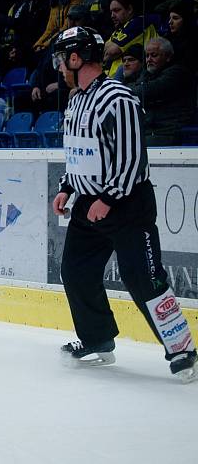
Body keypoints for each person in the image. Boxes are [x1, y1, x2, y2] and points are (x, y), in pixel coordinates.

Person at [50, 26, 196, 383]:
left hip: (126, 204)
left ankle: (183, 351)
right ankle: (97, 340)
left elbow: (132, 159)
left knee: (143, 279)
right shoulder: (76, 100)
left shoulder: (118, 97)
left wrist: (108, 198)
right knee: (76, 270)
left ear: (76, 58)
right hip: (90, 203)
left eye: (60, 59)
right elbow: (80, 153)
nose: (58, 68)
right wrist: (68, 187)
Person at [129, 37, 195, 146]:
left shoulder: (177, 73)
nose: (149, 59)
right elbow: (135, 87)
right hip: (151, 132)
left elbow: (144, 91)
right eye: (147, 56)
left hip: (170, 132)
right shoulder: (148, 74)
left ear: (168, 56)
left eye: (154, 55)